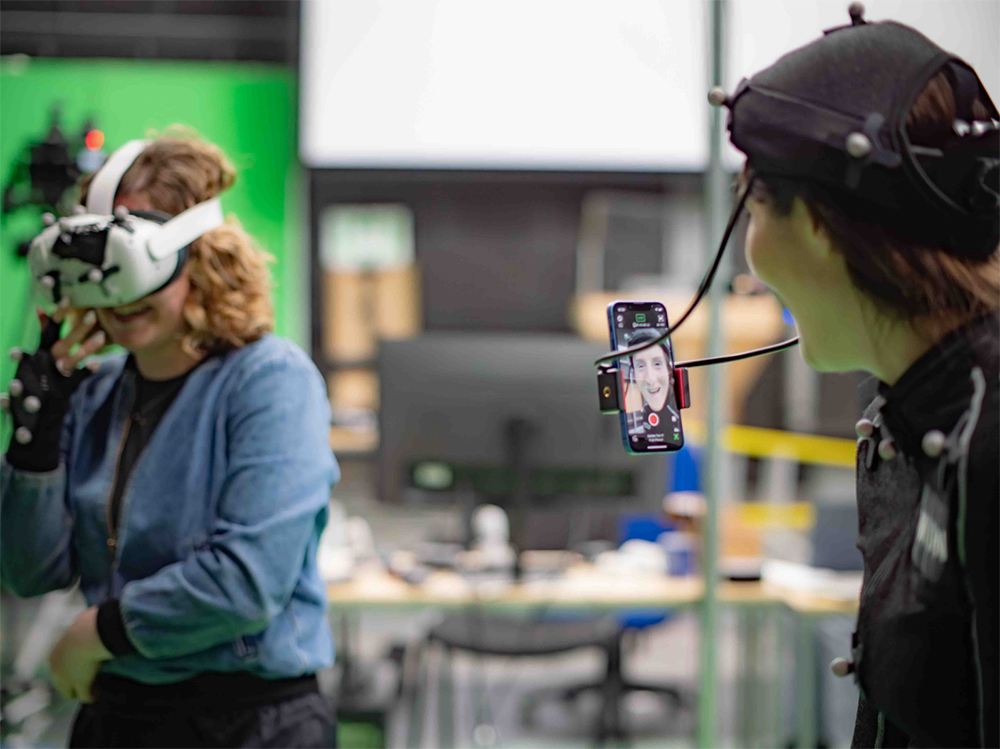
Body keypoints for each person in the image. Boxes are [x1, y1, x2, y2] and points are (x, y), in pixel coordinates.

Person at [0, 131, 340, 747]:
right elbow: (31, 572)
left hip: (249, 723)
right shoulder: (97, 394)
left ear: (199, 256)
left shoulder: (268, 379)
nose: (121, 295)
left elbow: (247, 581)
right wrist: (36, 440)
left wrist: (99, 633)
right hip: (118, 717)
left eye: (136, 264)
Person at [718, 5, 997, 746]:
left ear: (812, 225)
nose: (749, 258)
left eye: (753, 205)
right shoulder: (902, 406)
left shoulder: (988, 441)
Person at [624, 328, 680, 436]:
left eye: (657, 364)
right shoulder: (632, 429)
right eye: (640, 366)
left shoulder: (677, 425)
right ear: (633, 373)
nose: (650, 378)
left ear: (669, 369)